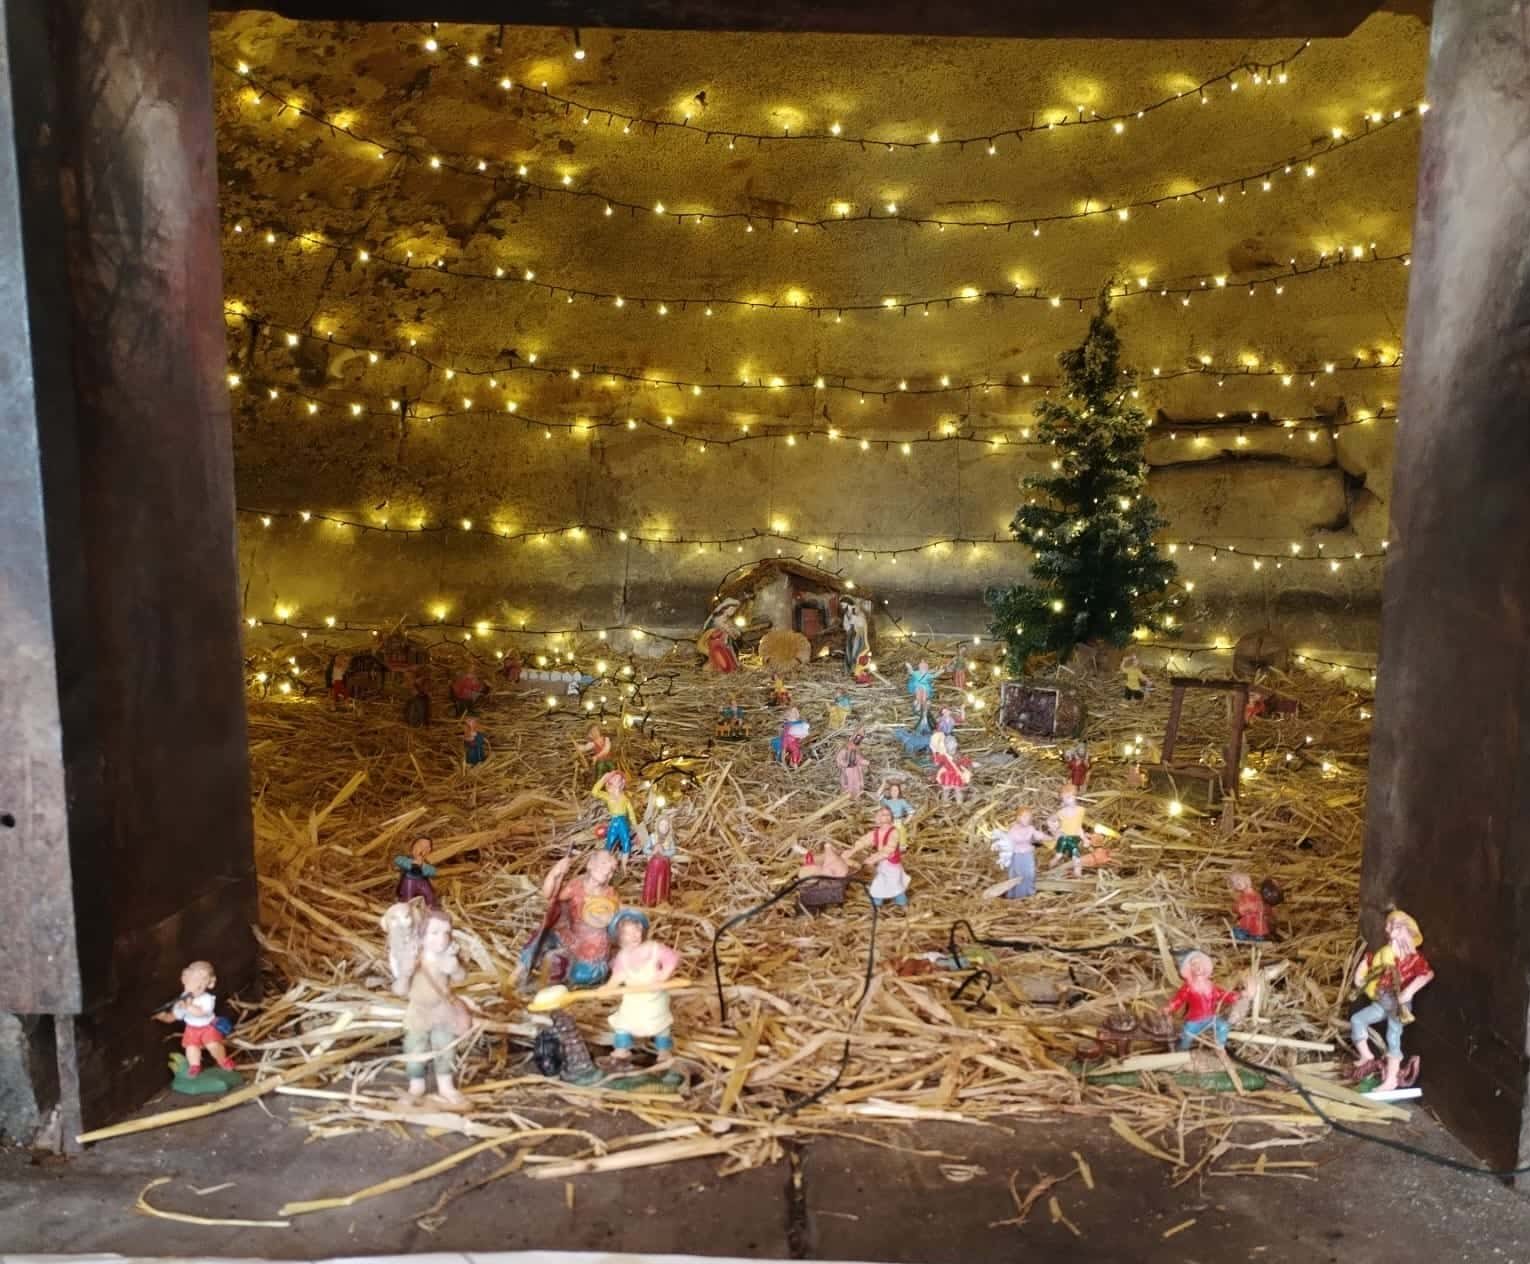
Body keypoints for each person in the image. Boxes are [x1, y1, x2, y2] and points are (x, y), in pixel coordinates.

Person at [386, 903, 472, 1104]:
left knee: (445, 1047)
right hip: (418, 1012)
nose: (442, 939)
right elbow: (399, 990)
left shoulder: (448, 957)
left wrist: (455, 968)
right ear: (422, 936)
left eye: (446, 933)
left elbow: (461, 977)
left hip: (443, 1012)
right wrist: (405, 974)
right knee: (414, 1047)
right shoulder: (413, 959)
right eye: (434, 933)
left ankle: (446, 1086)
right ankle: (416, 1086)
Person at [1350, 909, 1433, 1091]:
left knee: (1393, 1037)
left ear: (1404, 930)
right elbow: (1370, 966)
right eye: (1388, 925)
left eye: (1393, 926)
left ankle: (1391, 1080)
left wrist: (1409, 991)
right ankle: (1367, 1056)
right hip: (1382, 1001)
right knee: (1357, 1020)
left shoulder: (1413, 959)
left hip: (1398, 1004)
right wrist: (1361, 974)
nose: (1388, 929)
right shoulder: (1384, 953)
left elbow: (1427, 974)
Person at [524, 851, 620, 988]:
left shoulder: (610, 895)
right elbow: (550, 895)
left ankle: (550, 982)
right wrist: (556, 872)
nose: (606, 871)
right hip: (571, 936)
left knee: (576, 972)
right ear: (590, 864)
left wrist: (602, 917)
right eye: (603, 864)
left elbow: (613, 920)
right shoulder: (576, 886)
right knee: (539, 939)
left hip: (591, 949)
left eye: (611, 870)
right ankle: (523, 969)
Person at [606, 910, 680, 1064]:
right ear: (619, 937)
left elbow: (672, 958)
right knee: (623, 1022)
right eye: (627, 934)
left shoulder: (654, 948)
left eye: (637, 931)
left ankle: (664, 1051)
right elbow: (618, 976)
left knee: (660, 1024)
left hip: (654, 997)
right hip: (633, 998)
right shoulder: (622, 956)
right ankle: (622, 1049)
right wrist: (608, 988)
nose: (634, 936)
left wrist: (663, 976)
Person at [153, 961, 236, 1078]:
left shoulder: (207, 999)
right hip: (191, 1029)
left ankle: (223, 1060)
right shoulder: (183, 998)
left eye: (199, 986)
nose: (192, 990)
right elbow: (174, 1017)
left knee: (213, 1046)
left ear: (210, 984)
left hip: (207, 1028)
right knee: (191, 1049)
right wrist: (162, 1016)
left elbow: (201, 1013)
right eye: (188, 985)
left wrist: (188, 1006)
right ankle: (195, 1066)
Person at [1164, 950, 1243, 1050]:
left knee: (1223, 1027)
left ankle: (1219, 1047)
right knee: (1186, 1036)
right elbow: (1178, 1000)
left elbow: (1222, 995)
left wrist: (1238, 996)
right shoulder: (1188, 987)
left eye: (1199, 963)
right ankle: (1181, 1052)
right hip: (1194, 1020)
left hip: (1210, 1018)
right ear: (1189, 969)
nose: (1197, 966)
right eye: (1193, 964)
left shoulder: (1210, 985)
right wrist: (1169, 1008)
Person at [847, 805, 909, 908]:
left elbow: (888, 850)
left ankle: (902, 904)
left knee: (894, 885)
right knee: (881, 883)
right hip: (883, 863)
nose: (885, 817)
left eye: (888, 815)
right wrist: (852, 850)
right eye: (883, 815)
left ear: (891, 817)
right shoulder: (877, 832)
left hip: (892, 864)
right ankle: (878, 903)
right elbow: (865, 840)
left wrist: (872, 859)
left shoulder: (894, 832)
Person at [991, 808, 1047, 899]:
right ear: (1018, 818)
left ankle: (1029, 892)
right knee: (1017, 875)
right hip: (1017, 855)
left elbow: (1039, 836)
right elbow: (1007, 841)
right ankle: (1017, 895)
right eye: (1024, 817)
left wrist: (1053, 837)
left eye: (1029, 817)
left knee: (1029, 874)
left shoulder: (1030, 828)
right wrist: (1000, 847)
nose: (1027, 819)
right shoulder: (1013, 830)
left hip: (1028, 854)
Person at [592, 770, 637, 866]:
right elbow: (595, 792)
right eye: (614, 778)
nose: (617, 780)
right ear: (610, 781)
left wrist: (635, 825)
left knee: (626, 842)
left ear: (622, 782)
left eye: (619, 779)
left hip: (623, 821)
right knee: (610, 842)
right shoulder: (608, 796)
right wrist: (603, 779)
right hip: (614, 821)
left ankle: (624, 866)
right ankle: (604, 864)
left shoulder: (625, 799)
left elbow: (631, 813)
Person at [1047, 783, 1092, 878]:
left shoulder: (1080, 811)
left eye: (1070, 797)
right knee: (1059, 856)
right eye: (1065, 798)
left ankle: (1077, 873)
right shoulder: (1061, 812)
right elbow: (1049, 820)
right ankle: (1050, 867)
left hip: (1074, 838)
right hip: (1064, 838)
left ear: (1075, 796)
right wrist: (1056, 830)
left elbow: (1079, 827)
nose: (1068, 800)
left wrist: (1084, 839)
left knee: (1076, 856)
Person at [929, 729, 972, 805]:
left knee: (957, 790)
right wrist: (935, 752)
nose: (952, 747)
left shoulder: (957, 755)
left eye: (953, 745)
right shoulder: (944, 756)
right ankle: (945, 803)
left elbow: (964, 761)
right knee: (947, 790)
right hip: (948, 776)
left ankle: (959, 803)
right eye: (950, 745)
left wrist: (969, 764)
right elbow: (937, 762)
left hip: (955, 775)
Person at [394, 837, 440, 907]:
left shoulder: (426, 863)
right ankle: (406, 907)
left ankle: (431, 908)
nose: (422, 849)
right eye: (420, 846)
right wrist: (412, 863)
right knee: (408, 896)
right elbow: (398, 860)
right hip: (409, 881)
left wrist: (422, 866)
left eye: (426, 848)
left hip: (422, 882)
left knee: (429, 895)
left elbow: (433, 872)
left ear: (429, 851)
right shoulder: (406, 859)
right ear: (413, 847)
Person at [1229, 872, 1270, 942]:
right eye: (1234, 882)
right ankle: (1252, 939)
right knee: (1235, 932)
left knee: (1237, 933)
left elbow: (1244, 908)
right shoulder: (1244, 895)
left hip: (1254, 924)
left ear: (1246, 880)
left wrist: (1238, 908)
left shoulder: (1252, 895)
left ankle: (1253, 940)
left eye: (1238, 879)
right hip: (1251, 923)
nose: (1236, 883)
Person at [836, 732, 869, 797]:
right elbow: (839, 760)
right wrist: (846, 764)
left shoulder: (856, 753)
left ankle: (856, 797)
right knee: (847, 784)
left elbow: (859, 760)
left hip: (855, 770)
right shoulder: (844, 752)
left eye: (856, 745)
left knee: (856, 784)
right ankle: (846, 797)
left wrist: (865, 762)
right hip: (847, 770)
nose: (854, 746)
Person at [842, 600, 870, 676]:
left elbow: (863, 629)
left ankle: (855, 670)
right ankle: (849, 670)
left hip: (859, 636)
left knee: (856, 653)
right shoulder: (848, 615)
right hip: (852, 636)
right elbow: (846, 626)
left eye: (855, 607)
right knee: (849, 652)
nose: (854, 609)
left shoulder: (861, 617)